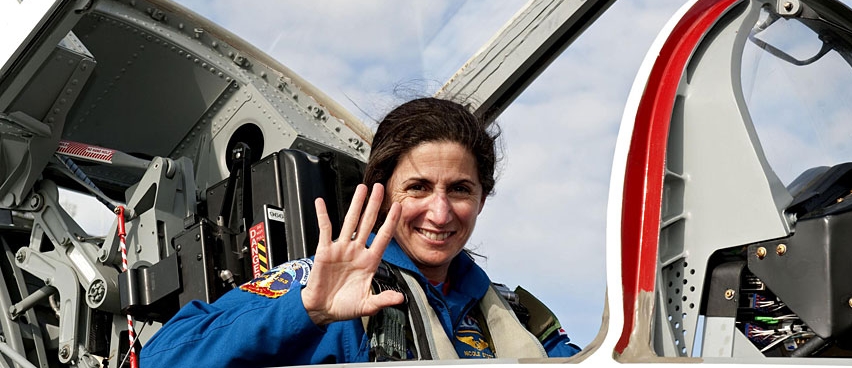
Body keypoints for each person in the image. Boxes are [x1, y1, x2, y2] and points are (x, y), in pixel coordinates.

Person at [140, 97, 579, 367]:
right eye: (418, 187)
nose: (440, 212)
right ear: (384, 195)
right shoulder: (326, 287)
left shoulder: (519, 314)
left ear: (482, 199)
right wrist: (304, 310)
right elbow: (162, 359)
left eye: (460, 189)